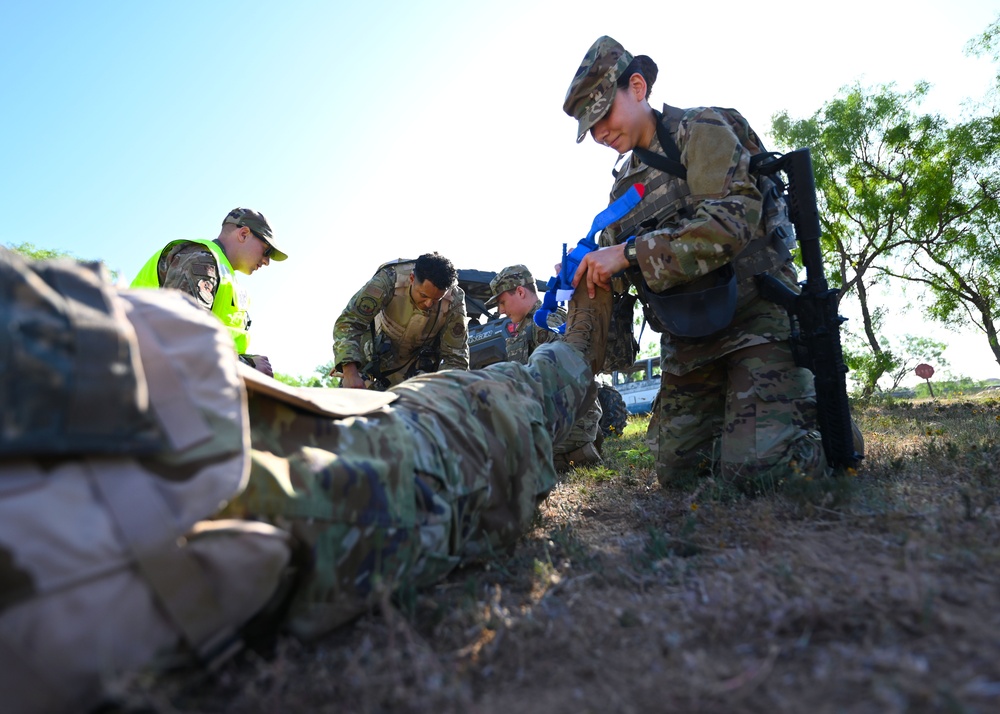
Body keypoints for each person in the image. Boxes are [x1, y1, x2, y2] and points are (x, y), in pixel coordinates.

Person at [0, 244, 608, 711]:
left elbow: (455, 357)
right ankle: (572, 364)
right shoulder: (386, 284)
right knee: (479, 428)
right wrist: (350, 373)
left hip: (247, 429)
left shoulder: (450, 305)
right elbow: (346, 326)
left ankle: (575, 369)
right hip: (314, 445)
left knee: (463, 398)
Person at [562, 36, 862, 490]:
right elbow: (620, 271)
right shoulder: (622, 188)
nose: (600, 134)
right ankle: (751, 421)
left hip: (755, 315)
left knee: (761, 472)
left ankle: (810, 423)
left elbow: (729, 221)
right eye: (591, 128)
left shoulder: (701, 129)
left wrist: (624, 254)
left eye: (603, 115)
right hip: (689, 336)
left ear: (637, 88)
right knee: (680, 476)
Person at [131, 206, 286, 376]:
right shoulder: (201, 260)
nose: (267, 261)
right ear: (243, 234)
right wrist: (247, 365)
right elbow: (184, 336)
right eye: (267, 251)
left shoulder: (222, 272)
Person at [486, 264, 603, 469]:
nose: (501, 310)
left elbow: (569, 383)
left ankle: (573, 453)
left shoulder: (546, 321)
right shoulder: (530, 324)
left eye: (502, 302)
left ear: (520, 292)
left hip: (573, 422)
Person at [333, 252, 469, 390]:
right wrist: (350, 373)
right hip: (374, 358)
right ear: (411, 278)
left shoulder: (454, 299)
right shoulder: (389, 279)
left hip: (418, 368)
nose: (428, 304)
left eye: (436, 300)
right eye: (423, 295)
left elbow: (456, 356)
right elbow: (349, 322)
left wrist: (445, 391)